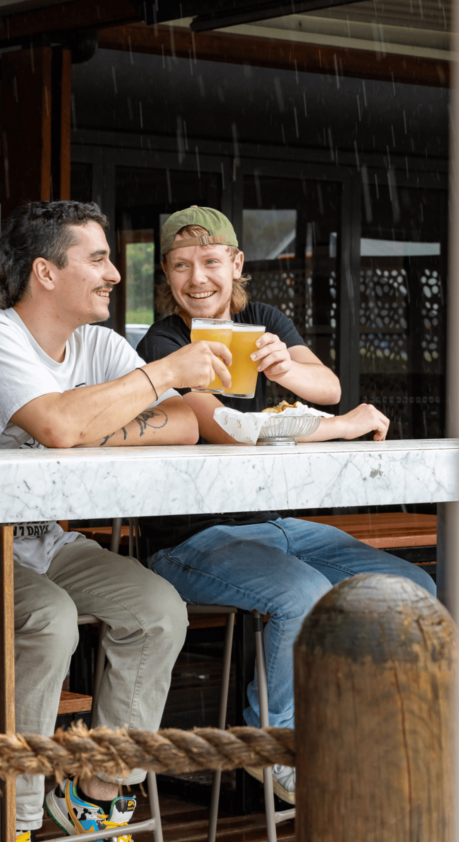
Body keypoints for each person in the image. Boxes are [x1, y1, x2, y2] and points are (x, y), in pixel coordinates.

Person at [0, 201, 235, 842]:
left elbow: (182, 424)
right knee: (50, 618)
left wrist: (89, 421)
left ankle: (95, 795)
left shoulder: (96, 344)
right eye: (98, 259)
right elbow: (58, 425)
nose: (115, 274)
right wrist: (160, 375)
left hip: (44, 538)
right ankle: (15, 818)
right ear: (46, 271)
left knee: (158, 610)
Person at [136, 205, 437, 805]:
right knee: (301, 595)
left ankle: (366, 731)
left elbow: (329, 387)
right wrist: (338, 427)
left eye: (210, 261)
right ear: (165, 274)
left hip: (274, 522)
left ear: (236, 263)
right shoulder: (164, 342)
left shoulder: (263, 320)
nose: (198, 278)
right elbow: (221, 427)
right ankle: (275, 748)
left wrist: (288, 371)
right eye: (181, 265)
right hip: (188, 539)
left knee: (410, 586)